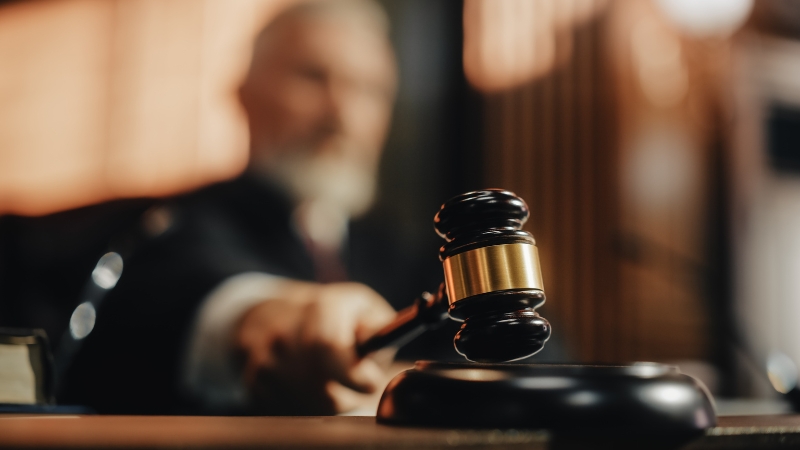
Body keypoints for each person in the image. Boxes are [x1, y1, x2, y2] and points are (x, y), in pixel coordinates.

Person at [53, 0, 442, 415]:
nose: (342, 114)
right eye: (313, 77)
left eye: (368, 90)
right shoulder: (173, 224)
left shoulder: (405, 254)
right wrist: (270, 324)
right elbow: (185, 286)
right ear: (244, 95)